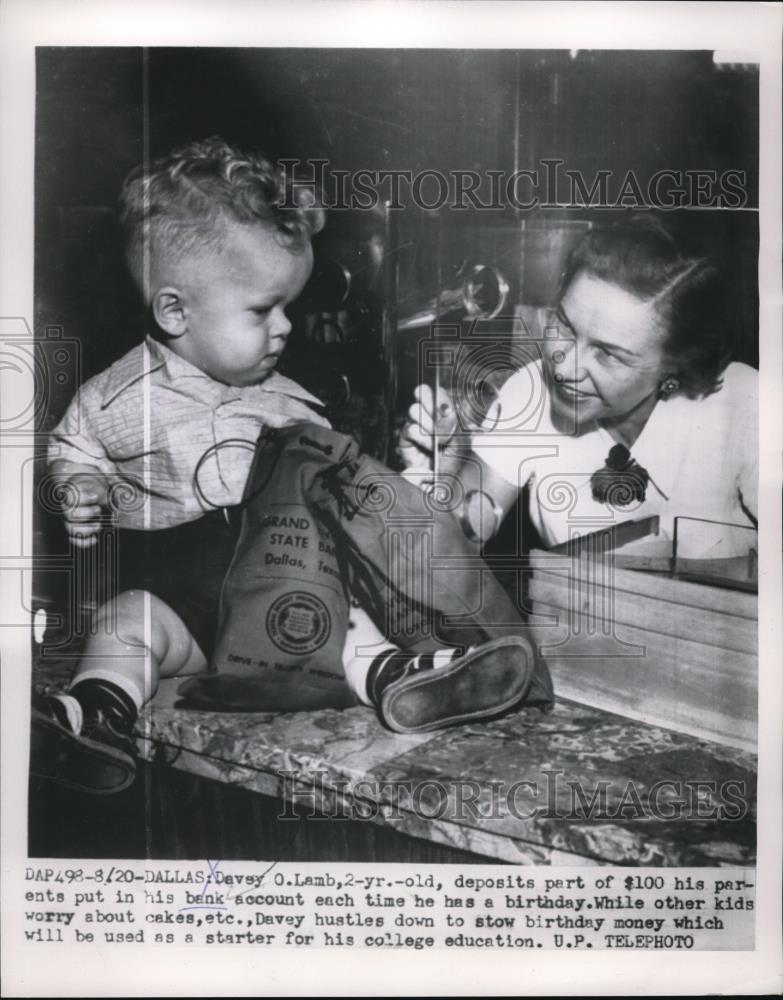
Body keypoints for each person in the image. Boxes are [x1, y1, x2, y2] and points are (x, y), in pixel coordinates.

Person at [32, 138, 537, 795]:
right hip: (182, 607)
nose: (286, 328)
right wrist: (79, 486)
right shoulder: (116, 395)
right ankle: (93, 712)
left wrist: (427, 470)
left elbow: (354, 506)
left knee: (343, 610)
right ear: (175, 311)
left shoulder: (293, 404)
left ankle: (398, 679)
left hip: (284, 601)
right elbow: (72, 445)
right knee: (126, 623)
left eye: (288, 307)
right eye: (262, 310)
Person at [401, 217, 758, 556]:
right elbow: (456, 546)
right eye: (565, 326)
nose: (564, 368)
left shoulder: (745, 404)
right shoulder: (531, 392)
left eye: (608, 354)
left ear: (676, 365)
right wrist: (448, 472)